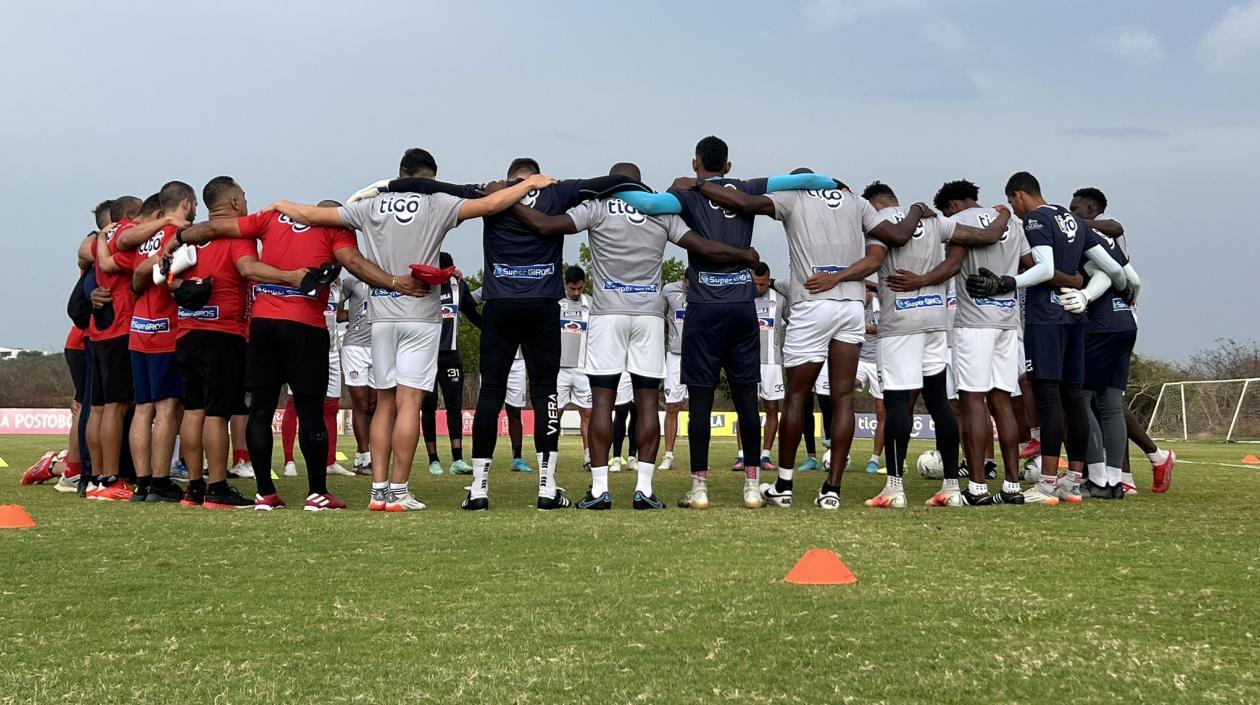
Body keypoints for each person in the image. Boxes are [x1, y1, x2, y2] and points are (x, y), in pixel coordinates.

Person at [357, 159, 651, 510]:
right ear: (536, 175)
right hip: (542, 305)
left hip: (500, 305)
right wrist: (649, 194)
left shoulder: (492, 190)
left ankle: (479, 489)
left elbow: (435, 187)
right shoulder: (557, 189)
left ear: (512, 176)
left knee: (491, 394)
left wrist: (387, 185)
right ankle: (547, 487)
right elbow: (610, 180)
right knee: (545, 394)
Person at [273, 160, 555, 512]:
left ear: (400, 174)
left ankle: (377, 493)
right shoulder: (438, 201)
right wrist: (531, 185)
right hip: (420, 315)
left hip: (380, 315)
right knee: (409, 404)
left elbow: (311, 215)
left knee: (384, 404)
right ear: (431, 178)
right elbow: (492, 204)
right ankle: (398, 491)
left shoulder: (370, 204)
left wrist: (278, 205)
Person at [512, 160, 758, 509]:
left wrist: (510, 199)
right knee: (646, 401)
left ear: (612, 181)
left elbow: (547, 225)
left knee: (602, 401)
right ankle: (644, 489)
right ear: (641, 184)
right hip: (648, 317)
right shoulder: (661, 209)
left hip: (607, 315)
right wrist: (742, 255)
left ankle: (599, 491)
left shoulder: (597, 206)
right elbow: (703, 248)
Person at [618, 137, 841, 509]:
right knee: (746, 402)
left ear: (695, 163)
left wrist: (599, 188)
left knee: (701, 404)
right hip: (742, 307)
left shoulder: (684, 194)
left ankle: (700, 489)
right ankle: (752, 488)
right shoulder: (749, 188)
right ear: (729, 166)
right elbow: (804, 180)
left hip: (704, 309)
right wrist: (834, 184)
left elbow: (644, 202)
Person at [680, 170, 919, 510]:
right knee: (843, 399)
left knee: (796, 395)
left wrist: (702, 185)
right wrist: (917, 210)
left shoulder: (793, 197)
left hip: (812, 302)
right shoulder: (857, 201)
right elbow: (896, 235)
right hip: (851, 304)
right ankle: (832, 489)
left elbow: (744, 201)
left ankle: (784, 485)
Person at [177, 192, 426, 511]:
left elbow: (212, 229)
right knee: (310, 410)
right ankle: (316, 493)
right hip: (304, 324)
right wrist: (394, 282)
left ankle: (264, 493)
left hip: (263, 324)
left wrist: (179, 237)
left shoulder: (270, 218)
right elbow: (354, 263)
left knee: (261, 410)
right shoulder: (336, 228)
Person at [968, 171, 1130, 504]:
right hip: (1076, 316)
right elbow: (1114, 270)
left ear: (1018, 195)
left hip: (1046, 317)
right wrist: (1085, 294)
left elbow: (1043, 268)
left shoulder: (1037, 221)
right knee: (1074, 399)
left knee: (1049, 399)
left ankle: (1046, 484)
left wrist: (1007, 282)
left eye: (1014, 203)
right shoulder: (1072, 219)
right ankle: (1073, 483)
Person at [861, 181, 1011, 509]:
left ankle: (894, 488)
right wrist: (1004, 215)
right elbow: (986, 236)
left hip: (900, 322)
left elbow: (877, 260)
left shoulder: (878, 223)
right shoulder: (935, 221)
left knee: (898, 402)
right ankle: (951, 487)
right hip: (935, 322)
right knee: (939, 401)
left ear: (872, 204)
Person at [166, 176, 303, 508]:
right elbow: (247, 268)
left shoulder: (189, 236)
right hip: (223, 333)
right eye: (243, 195)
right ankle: (217, 487)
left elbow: (167, 276)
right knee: (217, 412)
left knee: (194, 408)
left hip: (187, 332)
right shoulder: (237, 233)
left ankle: (194, 487)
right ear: (234, 203)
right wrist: (289, 276)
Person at [933, 179, 1029, 505]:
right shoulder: (1014, 222)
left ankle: (976, 488)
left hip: (974, 322)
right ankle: (1012, 486)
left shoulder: (963, 222)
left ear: (954, 205)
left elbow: (953, 265)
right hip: (1008, 321)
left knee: (973, 400)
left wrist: (919, 281)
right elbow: (1029, 266)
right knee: (1002, 401)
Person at [115, 181, 198, 502]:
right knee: (166, 408)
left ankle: (143, 483)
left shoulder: (145, 235)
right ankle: (160, 481)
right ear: (188, 204)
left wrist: (139, 277)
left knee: (143, 409)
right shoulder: (179, 233)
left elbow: (124, 246)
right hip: (166, 329)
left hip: (139, 329)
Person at [1065, 203, 1143, 500]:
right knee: (1111, 403)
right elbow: (1132, 279)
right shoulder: (1108, 239)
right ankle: (1115, 480)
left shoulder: (1082, 237)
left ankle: (1097, 479)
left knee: (1081, 399)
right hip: (1125, 321)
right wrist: (1128, 299)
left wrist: (1085, 296)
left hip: (1098, 324)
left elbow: (1106, 274)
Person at [421, 252, 476, 476]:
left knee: (454, 405)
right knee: (428, 406)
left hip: (451, 355)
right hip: (427, 355)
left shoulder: (458, 286)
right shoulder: (424, 287)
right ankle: (433, 459)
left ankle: (458, 459)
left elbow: (471, 310)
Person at [734, 263, 786, 475]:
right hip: (745, 361)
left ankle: (765, 454)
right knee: (744, 409)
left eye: (763, 284)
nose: (758, 288)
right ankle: (742, 455)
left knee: (772, 408)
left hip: (772, 363)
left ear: (769, 280)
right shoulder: (741, 296)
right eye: (755, 283)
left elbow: (793, 322)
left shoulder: (780, 299)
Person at [555, 266, 594, 473]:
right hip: (559, 369)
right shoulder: (556, 303)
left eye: (580, 288)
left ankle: (588, 457)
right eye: (573, 289)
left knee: (587, 413)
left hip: (583, 369)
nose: (577, 293)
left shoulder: (591, 304)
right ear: (565, 285)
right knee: (555, 414)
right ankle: (551, 456)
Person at [339, 271, 376, 475]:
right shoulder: (352, 280)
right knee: (361, 403)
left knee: (375, 404)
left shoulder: (388, 277)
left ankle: (369, 453)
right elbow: (338, 309)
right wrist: (354, 318)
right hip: (355, 347)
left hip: (379, 346)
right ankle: (363, 458)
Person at [659, 277, 688, 471]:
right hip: (675, 356)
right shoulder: (669, 290)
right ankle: (668, 455)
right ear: (685, 280)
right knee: (672, 407)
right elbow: (660, 316)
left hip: (699, 356)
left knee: (700, 407)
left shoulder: (705, 289)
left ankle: (699, 455)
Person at [855, 288, 885, 474]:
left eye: (863, 290)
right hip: (861, 359)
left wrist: (872, 328)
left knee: (881, 412)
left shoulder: (880, 302)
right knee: (840, 387)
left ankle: (874, 459)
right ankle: (834, 438)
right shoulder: (855, 305)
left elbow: (892, 327)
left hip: (879, 362)